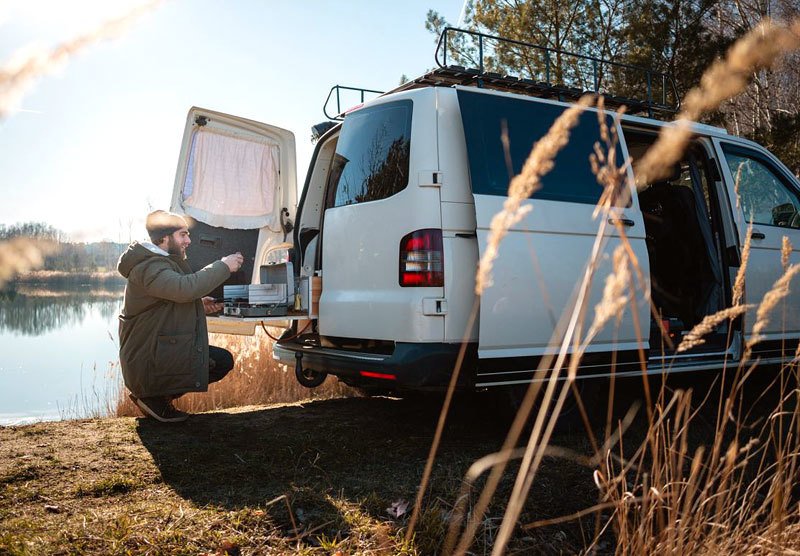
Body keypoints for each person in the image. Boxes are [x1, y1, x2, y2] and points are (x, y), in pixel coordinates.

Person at [117, 210, 244, 422]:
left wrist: (198, 305)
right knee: (219, 361)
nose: (188, 240)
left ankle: (157, 398)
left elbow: (166, 303)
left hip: (156, 350)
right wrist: (223, 266)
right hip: (149, 356)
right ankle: (153, 397)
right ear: (164, 238)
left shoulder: (159, 263)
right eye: (182, 235)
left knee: (221, 361)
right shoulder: (150, 266)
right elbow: (183, 289)